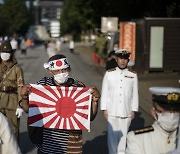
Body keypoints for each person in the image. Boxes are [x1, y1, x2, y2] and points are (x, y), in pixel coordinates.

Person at [20, 54, 100, 154]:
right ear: (50, 71)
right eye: (57, 71)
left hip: (70, 144)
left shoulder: (79, 87)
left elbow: (90, 117)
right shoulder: (43, 85)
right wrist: (24, 97)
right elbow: (28, 110)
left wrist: (95, 101)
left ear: (69, 68)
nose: (61, 73)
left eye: (64, 69)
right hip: (46, 144)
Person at [100, 49, 139, 154]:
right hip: (112, 110)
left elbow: (135, 94)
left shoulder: (133, 75)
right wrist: (104, 109)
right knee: (112, 138)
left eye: (125, 59)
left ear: (128, 60)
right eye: (121, 58)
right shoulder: (109, 74)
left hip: (126, 111)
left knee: (123, 136)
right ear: (116, 59)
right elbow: (105, 92)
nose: (123, 61)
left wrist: (134, 109)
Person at [126, 87, 180, 154]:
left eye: (176, 111)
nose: (172, 115)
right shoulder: (137, 138)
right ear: (153, 112)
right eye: (165, 111)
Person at [0, 41, 24, 139]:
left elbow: (20, 87)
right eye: (2, 51)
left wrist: (20, 104)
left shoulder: (17, 69)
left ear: (11, 53)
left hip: (13, 101)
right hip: (0, 99)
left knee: (14, 128)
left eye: (7, 52)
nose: (5, 54)